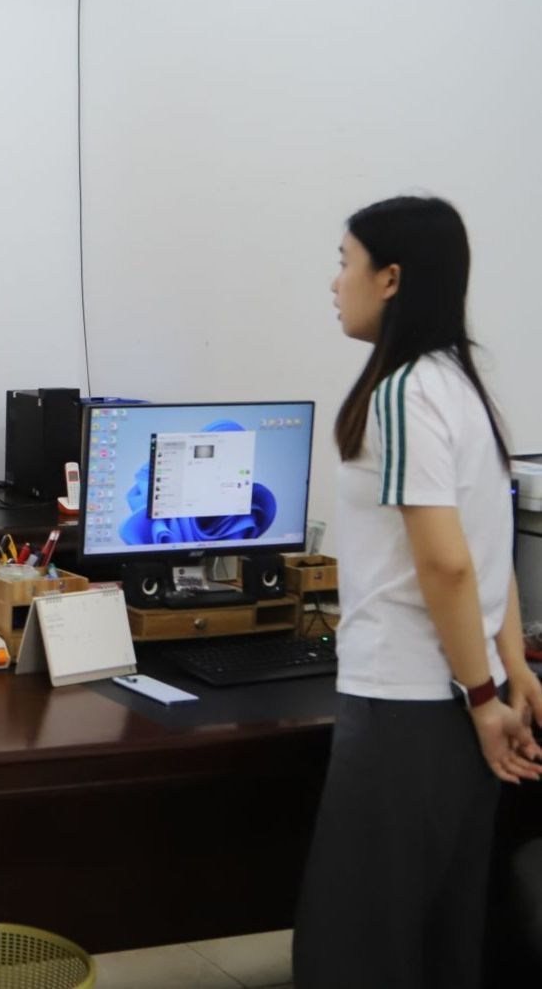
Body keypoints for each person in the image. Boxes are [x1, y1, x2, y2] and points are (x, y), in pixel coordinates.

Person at [293, 195, 542, 988]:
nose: (335, 281)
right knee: (441, 941)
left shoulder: (402, 392)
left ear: (391, 278)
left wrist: (485, 695)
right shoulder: (462, 383)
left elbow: (448, 564)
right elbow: (487, 548)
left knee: (354, 948)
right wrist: (509, 672)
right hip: (462, 699)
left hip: (406, 703)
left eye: (345, 261)